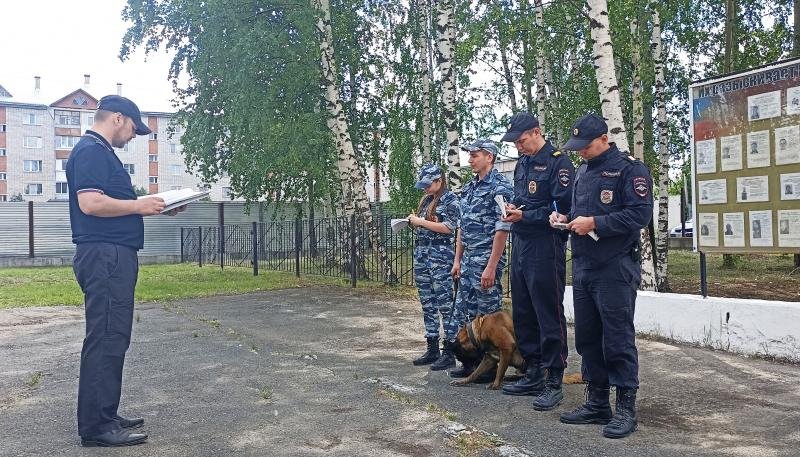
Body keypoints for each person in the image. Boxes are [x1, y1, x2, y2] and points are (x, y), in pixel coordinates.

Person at [67, 95, 186, 447]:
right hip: (105, 257)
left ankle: (105, 412)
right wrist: (139, 204)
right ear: (118, 118)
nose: (134, 135)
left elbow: (112, 204)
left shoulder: (101, 152)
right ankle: (96, 427)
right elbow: (90, 204)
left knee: (113, 335)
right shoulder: (91, 151)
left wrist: (153, 208)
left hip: (112, 255)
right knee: (106, 336)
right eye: (134, 128)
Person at [550, 113, 653, 439]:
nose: (579, 152)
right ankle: (597, 401)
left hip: (614, 266)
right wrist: (564, 218)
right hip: (584, 265)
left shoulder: (629, 169)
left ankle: (625, 407)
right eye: (576, 147)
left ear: (603, 140)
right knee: (588, 337)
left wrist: (595, 223)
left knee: (617, 338)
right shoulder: (582, 171)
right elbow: (579, 211)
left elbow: (640, 214)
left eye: (585, 146)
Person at [498, 112, 574, 412]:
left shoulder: (558, 163)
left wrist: (526, 215)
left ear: (537, 132)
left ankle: (553, 378)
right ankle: (532, 370)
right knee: (524, 309)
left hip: (545, 244)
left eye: (522, 140)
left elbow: (562, 211)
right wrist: (515, 208)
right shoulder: (523, 163)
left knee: (548, 311)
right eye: (515, 142)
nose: (518, 146)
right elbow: (525, 198)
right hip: (522, 243)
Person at [448, 139, 514, 380]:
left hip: (486, 262)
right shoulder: (471, 187)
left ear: (490, 157)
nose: (470, 159)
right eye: (470, 155)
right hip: (467, 264)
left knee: (488, 318)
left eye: (475, 155)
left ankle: (494, 366)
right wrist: (457, 260)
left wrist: (492, 266)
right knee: (467, 317)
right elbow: (462, 228)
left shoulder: (500, 187)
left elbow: (502, 229)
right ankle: (472, 365)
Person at [408, 164, 461, 371]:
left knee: (445, 304)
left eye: (428, 184)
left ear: (439, 181)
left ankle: (450, 350)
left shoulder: (450, 200)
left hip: (441, 257)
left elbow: (449, 227)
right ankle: (432, 347)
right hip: (422, 255)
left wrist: (420, 222)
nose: (424, 188)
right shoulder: (427, 200)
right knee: (427, 303)